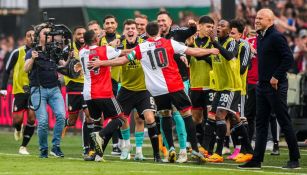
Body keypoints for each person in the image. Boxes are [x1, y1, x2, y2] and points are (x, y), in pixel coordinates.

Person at [88, 21, 220, 163]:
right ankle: (193, 149)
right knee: (186, 114)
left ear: (146, 32)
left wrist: (101, 63)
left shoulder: (141, 47)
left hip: (157, 90)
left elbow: (122, 60)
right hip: (173, 85)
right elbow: (192, 51)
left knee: (164, 115)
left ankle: (170, 149)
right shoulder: (169, 43)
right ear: (158, 31)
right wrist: (210, 50)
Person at [239, 8, 301, 169]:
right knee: (261, 123)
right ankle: (256, 160)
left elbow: (288, 59)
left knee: (284, 120)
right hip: (262, 85)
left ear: (270, 21)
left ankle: (294, 159)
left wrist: (276, 77)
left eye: (261, 18)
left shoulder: (276, 36)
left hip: (275, 85)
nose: (256, 20)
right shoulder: (261, 37)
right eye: (256, 18)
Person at [205, 19, 253, 163]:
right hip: (221, 87)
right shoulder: (216, 43)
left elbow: (229, 56)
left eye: (222, 26)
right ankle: (249, 151)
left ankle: (218, 153)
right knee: (233, 118)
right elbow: (213, 59)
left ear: (229, 30)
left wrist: (214, 43)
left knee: (220, 116)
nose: (218, 28)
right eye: (217, 25)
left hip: (232, 86)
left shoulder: (232, 42)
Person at [78, 30, 129, 162]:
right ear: (96, 39)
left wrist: (98, 37)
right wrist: (139, 50)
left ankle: (96, 155)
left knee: (97, 122)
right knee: (120, 118)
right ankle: (100, 135)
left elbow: (90, 45)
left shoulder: (82, 52)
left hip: (88, 94)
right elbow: (124, 53)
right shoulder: (105, 50)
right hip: (103, 91)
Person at [116, 19, 161, 162]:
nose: (130, 30)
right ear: (124, 31)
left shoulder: (144, 43)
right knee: (122, 119)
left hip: (144, 89)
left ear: (137, 31)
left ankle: (140, 152)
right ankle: (126, 147)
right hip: (126, 88)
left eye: (133, 28)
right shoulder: (118, 45)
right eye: (127, 28)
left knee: (147, 118)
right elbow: (109, 53)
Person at [157, 10, 196, 159]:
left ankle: (184, 151)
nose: (161, 24)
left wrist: (193, 26)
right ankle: (170, 150)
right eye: (159, 21)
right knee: (164, 114)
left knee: (180, 114)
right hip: (162, 82)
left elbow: (191, 31)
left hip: (180, 80)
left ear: (170, 22)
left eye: (164, 21)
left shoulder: (178, 33)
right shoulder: (154, 37)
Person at [24, 25, 66, 158]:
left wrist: (69, 59)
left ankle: (56, 146)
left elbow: (64, 66)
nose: (48, 36)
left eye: (50, 33)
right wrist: (32, 59)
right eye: (45, 33)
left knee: (61, 116)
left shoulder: (54, 51)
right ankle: (43, 149)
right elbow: (26, 69)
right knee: (42, 122)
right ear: (38, 36)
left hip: (54, 89)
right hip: (38, 89)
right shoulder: (32, 51)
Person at [0, 27, 36, 155]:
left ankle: (23, 146)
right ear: (24, 38)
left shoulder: (40, 52)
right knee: (17, 120)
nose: (31, 38)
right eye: (28, 35)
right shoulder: (17, 52)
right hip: (19, 90)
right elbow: (7, 70)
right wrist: (3, 88)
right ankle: (18, 128)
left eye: (33, 35)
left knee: (32, 118)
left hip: (34, 90)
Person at [60, 26, 94, 158]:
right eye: (78, 33)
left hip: (86, 86)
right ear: (74, 35)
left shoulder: (91, 48)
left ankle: (87, 148)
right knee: (72, 120)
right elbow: (60, 67)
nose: (81, 35)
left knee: (89, 117)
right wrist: (69, 64)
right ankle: (64, 124)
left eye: (83, 33)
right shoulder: (67, 50)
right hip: (73, 88)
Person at [186, 15, 216, 157]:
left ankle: (208, 148)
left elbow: (213, 60)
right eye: (208, 26)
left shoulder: (213, 43)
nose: (210, 29)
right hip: (196, 85)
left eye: (212, 27)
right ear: (200, 26)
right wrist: (189, 49)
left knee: (211, 117)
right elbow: (185, 59)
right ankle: (195, 145)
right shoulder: (191, 41)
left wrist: (194, 50)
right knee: (196, 118)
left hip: (211, 85)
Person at [228, 19, 253, 163]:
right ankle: (238, 149)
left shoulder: (244, 45)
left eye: (233, 33)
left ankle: (246, 150)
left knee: (241, 118)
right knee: (232, 119)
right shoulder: (230, 44)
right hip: (230, 87)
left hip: (240, 88)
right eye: (230, 33)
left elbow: (243, 67)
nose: (231, 36)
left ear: (241, 34)